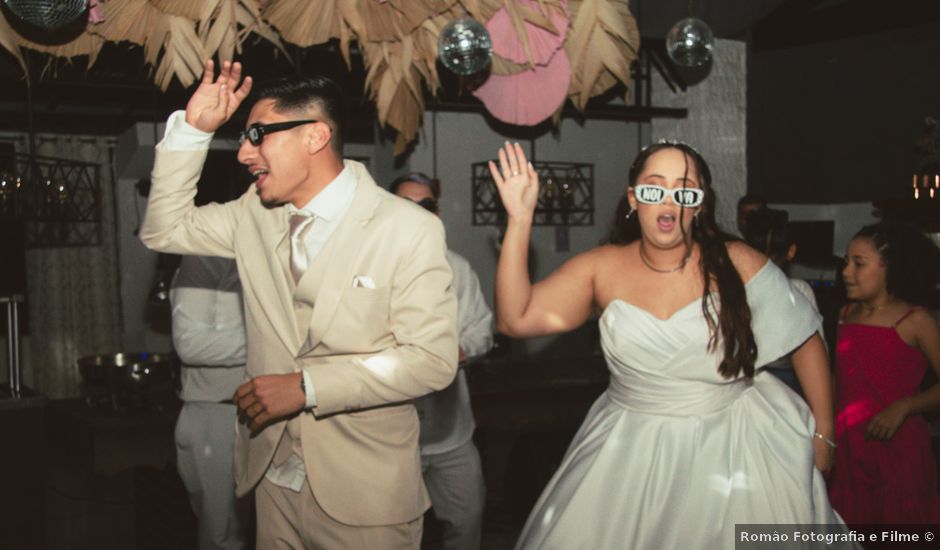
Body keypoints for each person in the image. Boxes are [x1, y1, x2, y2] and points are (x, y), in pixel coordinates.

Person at [140, 60, 458, 549]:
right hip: (270, 478)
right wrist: (193, 132)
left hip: (366, 491)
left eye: (258, 134)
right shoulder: (254, 214)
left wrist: (308, 388)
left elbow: (432, 361)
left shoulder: (407, 228)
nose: (245, 152)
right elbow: (163, 229)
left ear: (314, 136)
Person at [489, 140, 849, 549]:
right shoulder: (600, 268)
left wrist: (825, 433)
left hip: (736, 443)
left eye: (683, 191)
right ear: (633, 199)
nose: (669, 202)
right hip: (629, 446)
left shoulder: (738, 261)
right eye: (654, 188)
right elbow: (514, 319)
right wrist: (519, 219)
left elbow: (805, 340)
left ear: (699, 205)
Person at [390, 172, 493, 550]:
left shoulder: (458, 268)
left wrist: (461, 349)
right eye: (406, 205)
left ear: (437, 213)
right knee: (396, 535)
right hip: (394, 439)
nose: (418, 213)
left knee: (467, 523)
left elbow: (482, 328)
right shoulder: (370, 267)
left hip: (453, 433)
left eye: (427, 205)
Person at [828, 222, 940, 525]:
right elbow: (840, 381)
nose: (846, 272)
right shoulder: (846, 314)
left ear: (889, 267)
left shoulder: (915, 320)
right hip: (852, 448)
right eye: (846, 263)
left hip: (898, 449)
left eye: (858, 264)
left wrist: (905, 406)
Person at [171, 254, 250, 550]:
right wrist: (277, 340)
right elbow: (191, 344)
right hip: (217, 416)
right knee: (222, 540)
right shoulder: (204, 257)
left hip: (272, 409)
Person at [743, 207, 823, 396]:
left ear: (791, 252)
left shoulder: (798, 291)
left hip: (788, 385)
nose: (765, 268)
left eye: (772, 258)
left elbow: (815, 358)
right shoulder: (736, 292)